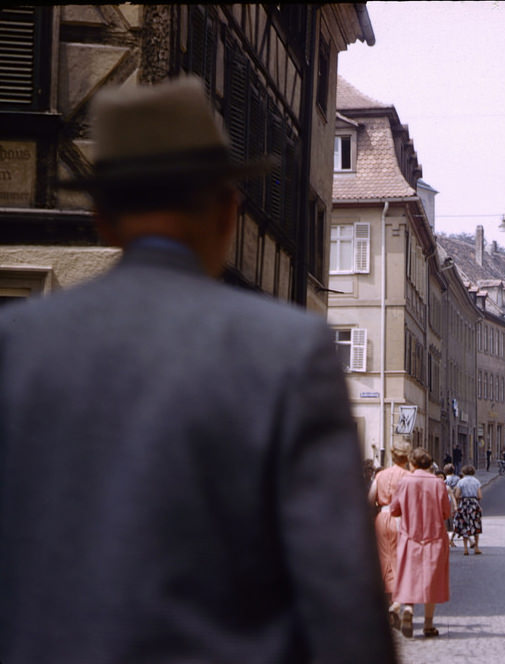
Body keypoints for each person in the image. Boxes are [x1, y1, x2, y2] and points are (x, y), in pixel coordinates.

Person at [0, 77, 394, 663]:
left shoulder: (17, 344)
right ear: (229, 210)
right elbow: (341, 600)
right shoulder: (288, 351)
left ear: (103, 219)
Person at [389, 447, 451, 639]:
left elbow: (394, 510)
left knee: (410, 575)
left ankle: (407, 609)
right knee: (431, 581)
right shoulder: (438, 483)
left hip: (410, 537)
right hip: (434, 537)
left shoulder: (405, 482)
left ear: (412, 463)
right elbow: (447, 512)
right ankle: (428, 625)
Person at [368, 438, 413, 629]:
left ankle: (388, 607)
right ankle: (399, 603)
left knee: (384, 560)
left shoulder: (381, 476)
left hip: (383, 517)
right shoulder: (409, 477)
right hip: (402, 519)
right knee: (402, 562)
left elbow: (370, 499)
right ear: (407, 457)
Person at [453, 464, 484, 555]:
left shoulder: (461, 482)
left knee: (464, 525)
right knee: (475, 525)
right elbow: (480, 496)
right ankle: (476, 547)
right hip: (474, 504)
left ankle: (465, 549)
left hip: (464, 504)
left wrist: (461, 499)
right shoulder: (476, 481)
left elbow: (457, 495)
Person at [443, 463, 461, 547]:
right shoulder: (457, 478)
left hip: (446, 500)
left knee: (446, 521)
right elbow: (459, 489)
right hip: (455, 500)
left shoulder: (445, 479)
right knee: (454, 521)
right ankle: (451, 539)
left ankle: (449, 539)